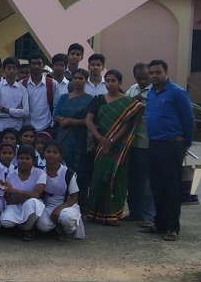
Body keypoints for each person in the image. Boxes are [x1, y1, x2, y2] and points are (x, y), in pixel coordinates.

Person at [83, 69, 142, 226]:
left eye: (113, 81)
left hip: (119, 147)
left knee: (117, 179)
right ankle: (94, 213)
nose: (110, 84)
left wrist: (112, 140)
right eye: (108, 81)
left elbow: (128, 124)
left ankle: (113, 214)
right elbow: (88, 120)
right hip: (101, 146)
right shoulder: (99, 100)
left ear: (120, 82)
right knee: (98, 179)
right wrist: (101, 138)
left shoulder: (128, 103)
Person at [144, 59, 194, 241]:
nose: (154, 76)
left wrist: (186, 143)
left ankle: (172, 227)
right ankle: (160, 223)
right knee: (157, 185)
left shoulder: (177, 93)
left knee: (171, 186)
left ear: (166, 73)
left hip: (172, 144)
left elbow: (188, 119)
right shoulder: (151, 93)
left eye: (158, 72)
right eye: (151, 73)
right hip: (154, 144)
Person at [53, 68, 93, 200]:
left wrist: (70, 122)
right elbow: (55, 116)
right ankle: (59, 198)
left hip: (79, 138)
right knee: (61, 166)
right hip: (62, 137)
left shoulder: (90, 99)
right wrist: (63, 120)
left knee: (78, 168)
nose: (77, 81)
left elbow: (89, 120)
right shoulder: (64, 97)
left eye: (81, 78)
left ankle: (77, 201)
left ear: (86, 81)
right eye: (75, 78)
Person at [124, 63, 156, 225]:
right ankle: (134, 212)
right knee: (133, 180)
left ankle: (148, 215)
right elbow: (124, 108)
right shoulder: (132, 89)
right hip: (131, 143)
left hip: (147, 143)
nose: (142, 81)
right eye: (139, 78)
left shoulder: (155, 91)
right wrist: (132, 102)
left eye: (145, 77)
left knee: (147, 182)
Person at [35, 141, 85, 239]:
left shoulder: (68, 173)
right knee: (42, 225)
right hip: (48, 205)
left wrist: (59, 209)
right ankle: (57, 227)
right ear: (43, 154)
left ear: (60, 156)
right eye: (48, 151)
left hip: (67, 204)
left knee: (66, 218)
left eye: (55, 152)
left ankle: (67, 230)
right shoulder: (40, 172)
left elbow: (74, 197)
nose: (51, 154)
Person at [0, 145, 46, 240]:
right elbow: (7, 199)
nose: (24, 161)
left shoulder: (40, 173)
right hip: (15, 205)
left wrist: (16, 191)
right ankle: (20, 227)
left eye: (27, 158)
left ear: (33, 160)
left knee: (34, 203)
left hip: (31, 204)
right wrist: (25, 197)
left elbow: (36, 194)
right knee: (6, 222)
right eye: (21, 158)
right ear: (17, 159)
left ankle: (27, 229)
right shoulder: (11, 175)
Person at [0, 56, 30, 133]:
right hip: (0, 129)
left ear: (18, 70)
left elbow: (25, 112)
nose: (11, 70)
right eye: (9, 68)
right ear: (3, 70)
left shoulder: (23, 89)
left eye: (14, 68)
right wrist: (15, 113)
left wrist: (6, 110)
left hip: (16, 130)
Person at [24, 53, 55, 133]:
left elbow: (56, 105)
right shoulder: (22, 84)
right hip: (26, 127)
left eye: (39, 63)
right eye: (33, 63)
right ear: (29, 65)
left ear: (43, 65)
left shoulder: (52, 83)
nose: (36, 66)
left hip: (46, 126)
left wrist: (52, 125)